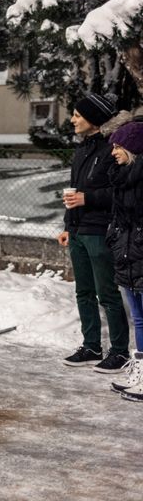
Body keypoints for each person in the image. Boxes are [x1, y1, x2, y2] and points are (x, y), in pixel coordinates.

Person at [57, 94, 131, 373]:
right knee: (83, 292)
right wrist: (67, 226)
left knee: (107, 294)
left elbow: (120, 192)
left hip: (100, 231)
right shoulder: (81, 150)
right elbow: (74, 190)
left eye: (78, 114)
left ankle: (120, 351)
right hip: (77, 230)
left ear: (94, 119)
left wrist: (88, 199)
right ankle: (91, 346)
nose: (73, 119)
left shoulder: (111, 149)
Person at [106, 118, 143, 401]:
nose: (113, 152)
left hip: (140, 253)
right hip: (128, 255)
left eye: (118, 146)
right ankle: (140, 371)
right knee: (139, 319)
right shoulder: (121, 178)